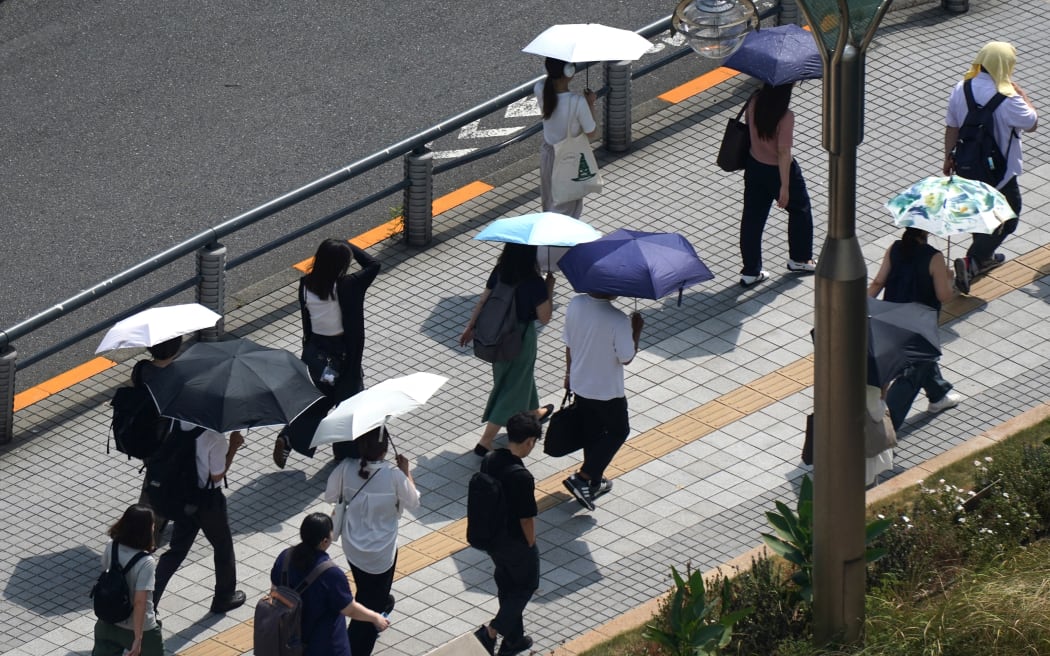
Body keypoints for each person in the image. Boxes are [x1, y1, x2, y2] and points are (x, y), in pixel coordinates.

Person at [274, 238, 381, 467]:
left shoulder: (305, 284)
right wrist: (348, 244)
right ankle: (345, 454)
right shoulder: (348, 286)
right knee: (349, 404)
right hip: (343, 355)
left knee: (318, 400)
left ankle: (290, 435)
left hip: (315, 353)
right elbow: (373, 265)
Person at [945, 41, 1038, 293]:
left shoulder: (961, 88)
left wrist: (947, 157)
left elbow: (952, 126)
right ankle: (972, 260)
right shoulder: (1009, 99)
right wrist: (1022, 94)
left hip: (966, 167)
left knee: (981, 216)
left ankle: (982, 258)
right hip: (1000, 173)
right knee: (1009, 217)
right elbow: (1031, 123)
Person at [323, 427, 420, 656]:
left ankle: (381, 603)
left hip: (353, 547)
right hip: (382, 553)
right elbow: (414, 501)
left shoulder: (346, 468)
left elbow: (329, 496)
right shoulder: (394, 475)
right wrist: (407, 471)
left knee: (367, 589)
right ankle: (356, 644)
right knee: (369, 607)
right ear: (385, 449)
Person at [458, 243, 556, 456]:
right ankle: (485, 441)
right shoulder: (533, 281)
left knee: (513, 379)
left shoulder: (501, 271)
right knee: (512, 388)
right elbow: (545, 317)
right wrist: (548, 287)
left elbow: (483, 300)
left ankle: (533, 413)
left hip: (495, 336)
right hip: (520, 337)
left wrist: (470, 327)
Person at [868, 227, 960, 429]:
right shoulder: (934, 257)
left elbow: (878, 282)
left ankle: (938, 395)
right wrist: (950, 279)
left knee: (920, 361)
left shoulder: (895, 247)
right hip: (920, 324)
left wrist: (861, 306)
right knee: (914, 369)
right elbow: (943, 296)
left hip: (890, 318)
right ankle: (887, 428)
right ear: (928, 231)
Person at [560, 293, 643, 510]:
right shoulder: (618, 319)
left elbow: (569, 343)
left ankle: (594, 482)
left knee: (593, 433)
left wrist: (569, 374)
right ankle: (583, 476)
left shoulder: (576, 304)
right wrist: (636, 330)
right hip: (606, 390)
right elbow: (626, 358)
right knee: (619, 431)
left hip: (580, 382)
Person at [152, 423, 246, 613]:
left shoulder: (177, 422)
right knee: (223, 547)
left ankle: (148, 602)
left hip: (183, 498)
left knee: (176, 551)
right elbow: (217, 476)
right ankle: (224, 597)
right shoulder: (215, 437)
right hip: (208, 502)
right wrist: (234, 447)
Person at [270, 513, 390, 656]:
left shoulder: (285, 556)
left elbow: (274, 590)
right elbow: (349, 610)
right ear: (324, 541)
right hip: (324, 645)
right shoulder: (330, 573)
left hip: (287, 638)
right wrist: (375, 618)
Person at [473, 413, 542, 656]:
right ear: (530, 441)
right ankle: (491, 632)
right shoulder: (522, 476)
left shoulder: (491, 459)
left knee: (507, 584)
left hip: (491, 538)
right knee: (526, 585)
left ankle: (514, 639)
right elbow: (526, 518)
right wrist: (531, 543)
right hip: (515, 542)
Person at [738, 82, 816, 287]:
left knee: (752, 219)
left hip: (754, 165)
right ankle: (800, 259)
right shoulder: (785, 116)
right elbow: (783, 153)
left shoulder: (754, 101)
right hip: (778, 170)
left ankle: (750, 271)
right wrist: (785, 186)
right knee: (800, 210)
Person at [92, 504, 164, 656]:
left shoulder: (111, 546)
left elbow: (106, 570)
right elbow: (139, 603)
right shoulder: (146, 562)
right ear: (146, 530)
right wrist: (138, 638)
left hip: (107, 622)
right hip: (139, 628)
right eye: (152, 525)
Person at [132, 336, 182, 543]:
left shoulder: (141, 369)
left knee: (156, 479)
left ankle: (145, 526)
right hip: (168, 441)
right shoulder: (178, 374)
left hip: (145, 437)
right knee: (159, 487)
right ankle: (146, 534)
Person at [535, 57, 597, 219]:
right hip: (569, 158)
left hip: (548, 155)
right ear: (569, 71)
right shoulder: (577, 102)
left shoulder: (540, 89)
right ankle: (564, 243)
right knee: (567, 209)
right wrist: (590, 103)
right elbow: (591, 132)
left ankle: (547, 241)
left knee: (550, 203)